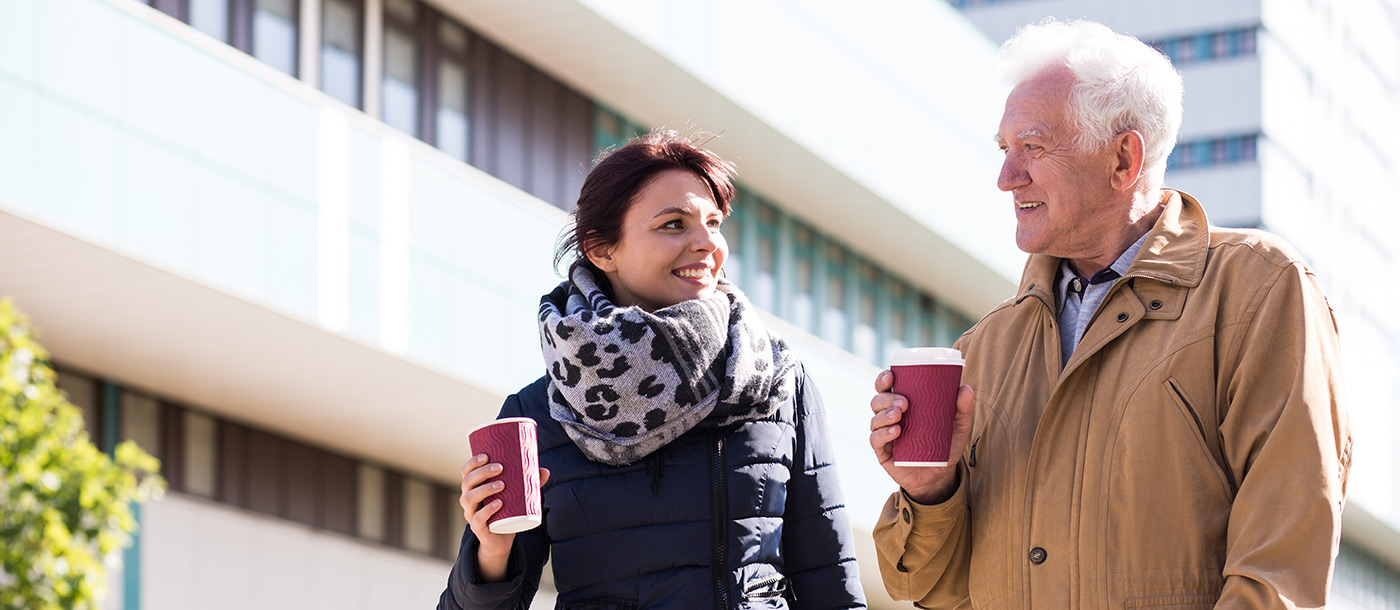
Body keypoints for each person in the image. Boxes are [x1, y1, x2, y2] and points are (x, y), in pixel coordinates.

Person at [868, 19, 1351, 609]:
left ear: (1124, 158)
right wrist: (930, 492)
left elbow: (1281, 565)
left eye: (1032, 146)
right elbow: (930, 589)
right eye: (1004, 149)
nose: (1005, 178)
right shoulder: (985, 347)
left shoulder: (1258, 288)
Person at [438, 129, 867, 610]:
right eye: (674, 224)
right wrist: (491, 553)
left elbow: (831, 585)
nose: (707, 243)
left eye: (713, 222)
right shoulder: (541, 412)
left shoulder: (776, 381)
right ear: (602, 250)